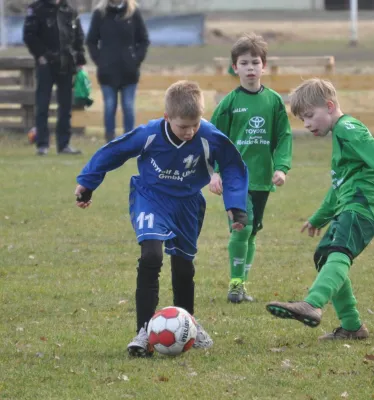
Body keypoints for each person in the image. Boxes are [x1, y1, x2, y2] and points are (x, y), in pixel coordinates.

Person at [74, 80, 250, 356]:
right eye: (183, 126)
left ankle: (188, 325)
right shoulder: (150, 133)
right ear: (167, 118)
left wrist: (236, 205)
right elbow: (114, 151)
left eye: (195, 124)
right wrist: (87, 183)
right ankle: (144, 332)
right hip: (151, 198)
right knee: (151, 256)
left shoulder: (209, 136)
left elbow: (233, 167)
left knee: (183, 268)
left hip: (188, 205)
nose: (190, 132)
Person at [266, 78, 374, 340]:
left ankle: (312, 304)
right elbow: (338, 187)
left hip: (364, 203)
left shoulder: (348, 127)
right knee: (325, 256)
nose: (307, 124)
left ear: (329, 106)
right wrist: (318, 218)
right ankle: (352, 326)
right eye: (303, 120)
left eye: (310, 116)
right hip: (354, 202)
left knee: (338, 251)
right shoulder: (340, 136)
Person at [209, 33, 292, 304]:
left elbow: (283, 137)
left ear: (264, 66)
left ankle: (242, 284)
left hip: (262, 178)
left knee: (253, 231)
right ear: (235, 68)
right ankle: (234, 284)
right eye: (244, 63)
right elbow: (213, 140)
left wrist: (281, 168)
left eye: (255, 62)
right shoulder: (228, 104)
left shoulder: (274, 102)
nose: (250, 68)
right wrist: (215, 172)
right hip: (235, 179)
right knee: (241, 228)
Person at [23, 0, 86, 156]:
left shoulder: (69, 11)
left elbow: (78, 37)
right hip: (46, 65)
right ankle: (42, 144)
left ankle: (64, 144)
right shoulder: (36, 9)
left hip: (66, 64)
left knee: (65, 106)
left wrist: (80, 59)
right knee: (42, 104)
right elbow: (29, 35)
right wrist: (41, 55)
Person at [86, 0, 150, 142]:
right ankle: (110, 140)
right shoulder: (100, 14)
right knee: (109, 106)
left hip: (129, 70)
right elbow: (91, 40)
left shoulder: (133, 13)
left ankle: (130, 140)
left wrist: (136, 59)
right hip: (107, 71)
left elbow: (143, 39)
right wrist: (100, 60)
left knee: (128, 106)